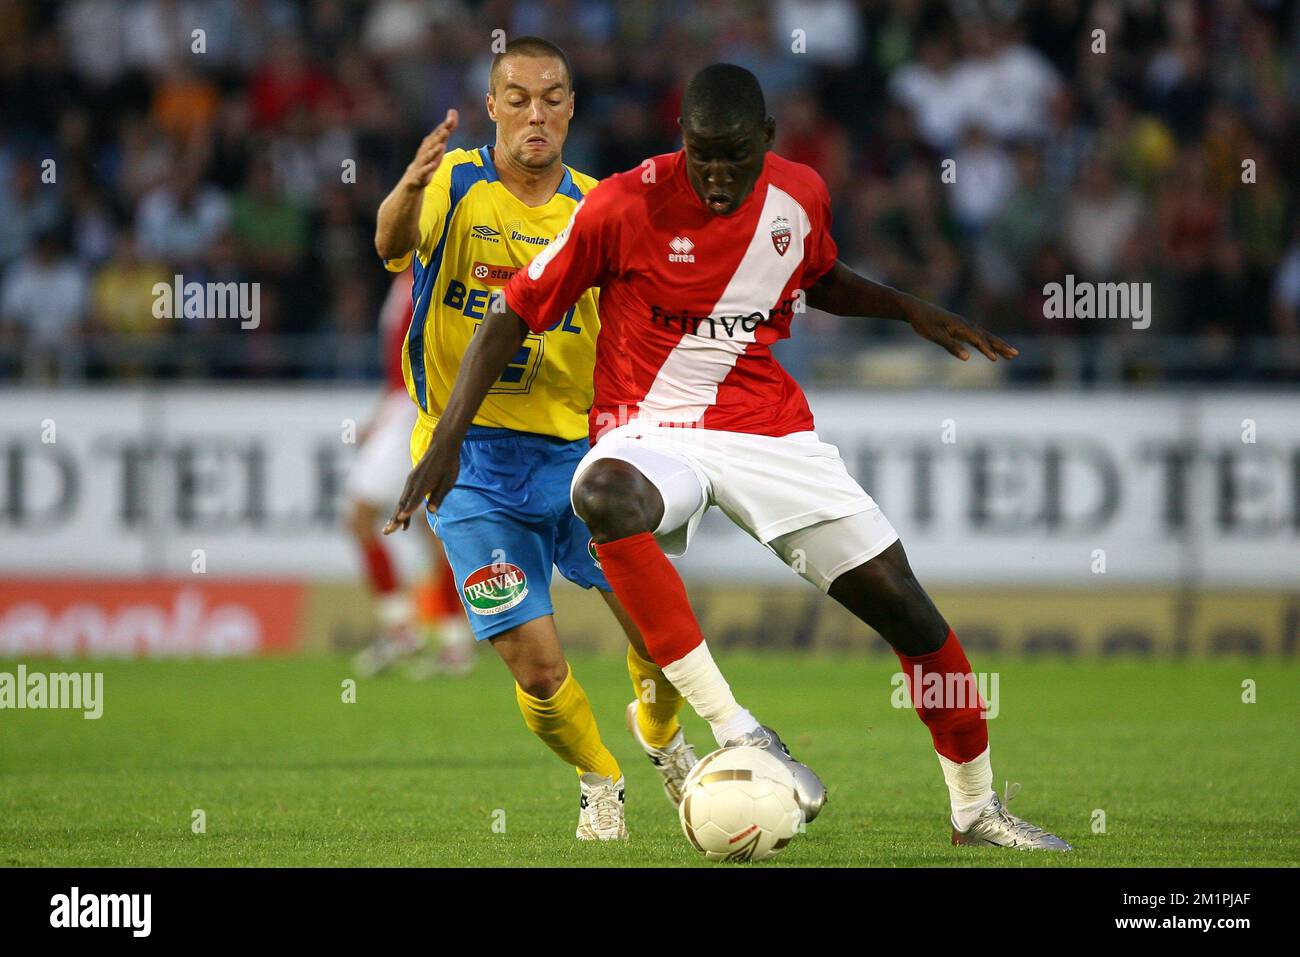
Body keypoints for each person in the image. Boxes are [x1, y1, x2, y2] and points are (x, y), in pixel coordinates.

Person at [392, 63, 1071, 851]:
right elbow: (510, 313)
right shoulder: (623, 203)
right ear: (682, 139)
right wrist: (446, 437)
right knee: (605, 493)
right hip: (649, 427)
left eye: (734, 157)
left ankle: (976, 810)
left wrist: (906, 308)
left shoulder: (801, 197)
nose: (716, 175)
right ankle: (739, 729)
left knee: (911, 612)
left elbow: (818, 277)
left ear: (767, 142)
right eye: (702, 154)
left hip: (768, 430)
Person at [375, 37, 704, 840]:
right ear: (492, 107)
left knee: (661, 639)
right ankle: (600, 776)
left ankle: (661, 738)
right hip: (472, 463)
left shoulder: (602, 208)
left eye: (551, 97)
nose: (535, 113)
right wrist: (406, 185)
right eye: (517, 97)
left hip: (582, 461)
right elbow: (388, 246)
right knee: (538, 664)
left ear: (571, 108)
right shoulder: (453, 184)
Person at [347, 269, 473, 679]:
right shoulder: (406, 278)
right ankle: (453, 642)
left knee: (362, 516)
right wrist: (380, 412)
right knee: (428, 525)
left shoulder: (428, 273)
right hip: (403, 407)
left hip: (415, 409)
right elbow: (399, 362)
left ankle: (402, 627)